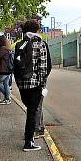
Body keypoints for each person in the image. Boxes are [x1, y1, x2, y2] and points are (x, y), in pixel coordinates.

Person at [16, 20, 51, 152]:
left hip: (22, 84)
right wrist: (42, 85)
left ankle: (28, 137)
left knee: (29, 109)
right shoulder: (40, 44)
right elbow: (43, 67)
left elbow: (16, 66)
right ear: (36, 30)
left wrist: (19, 83)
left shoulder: (20, 44)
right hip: (35, 83)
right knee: (32, 111)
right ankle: (28, 142)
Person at [0, 35, 13, 105]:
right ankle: (7, 99)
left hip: (3, 69)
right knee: (6, 84)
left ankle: (7, 97)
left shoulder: (3, 48)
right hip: (8, 69)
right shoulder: (8, 48)